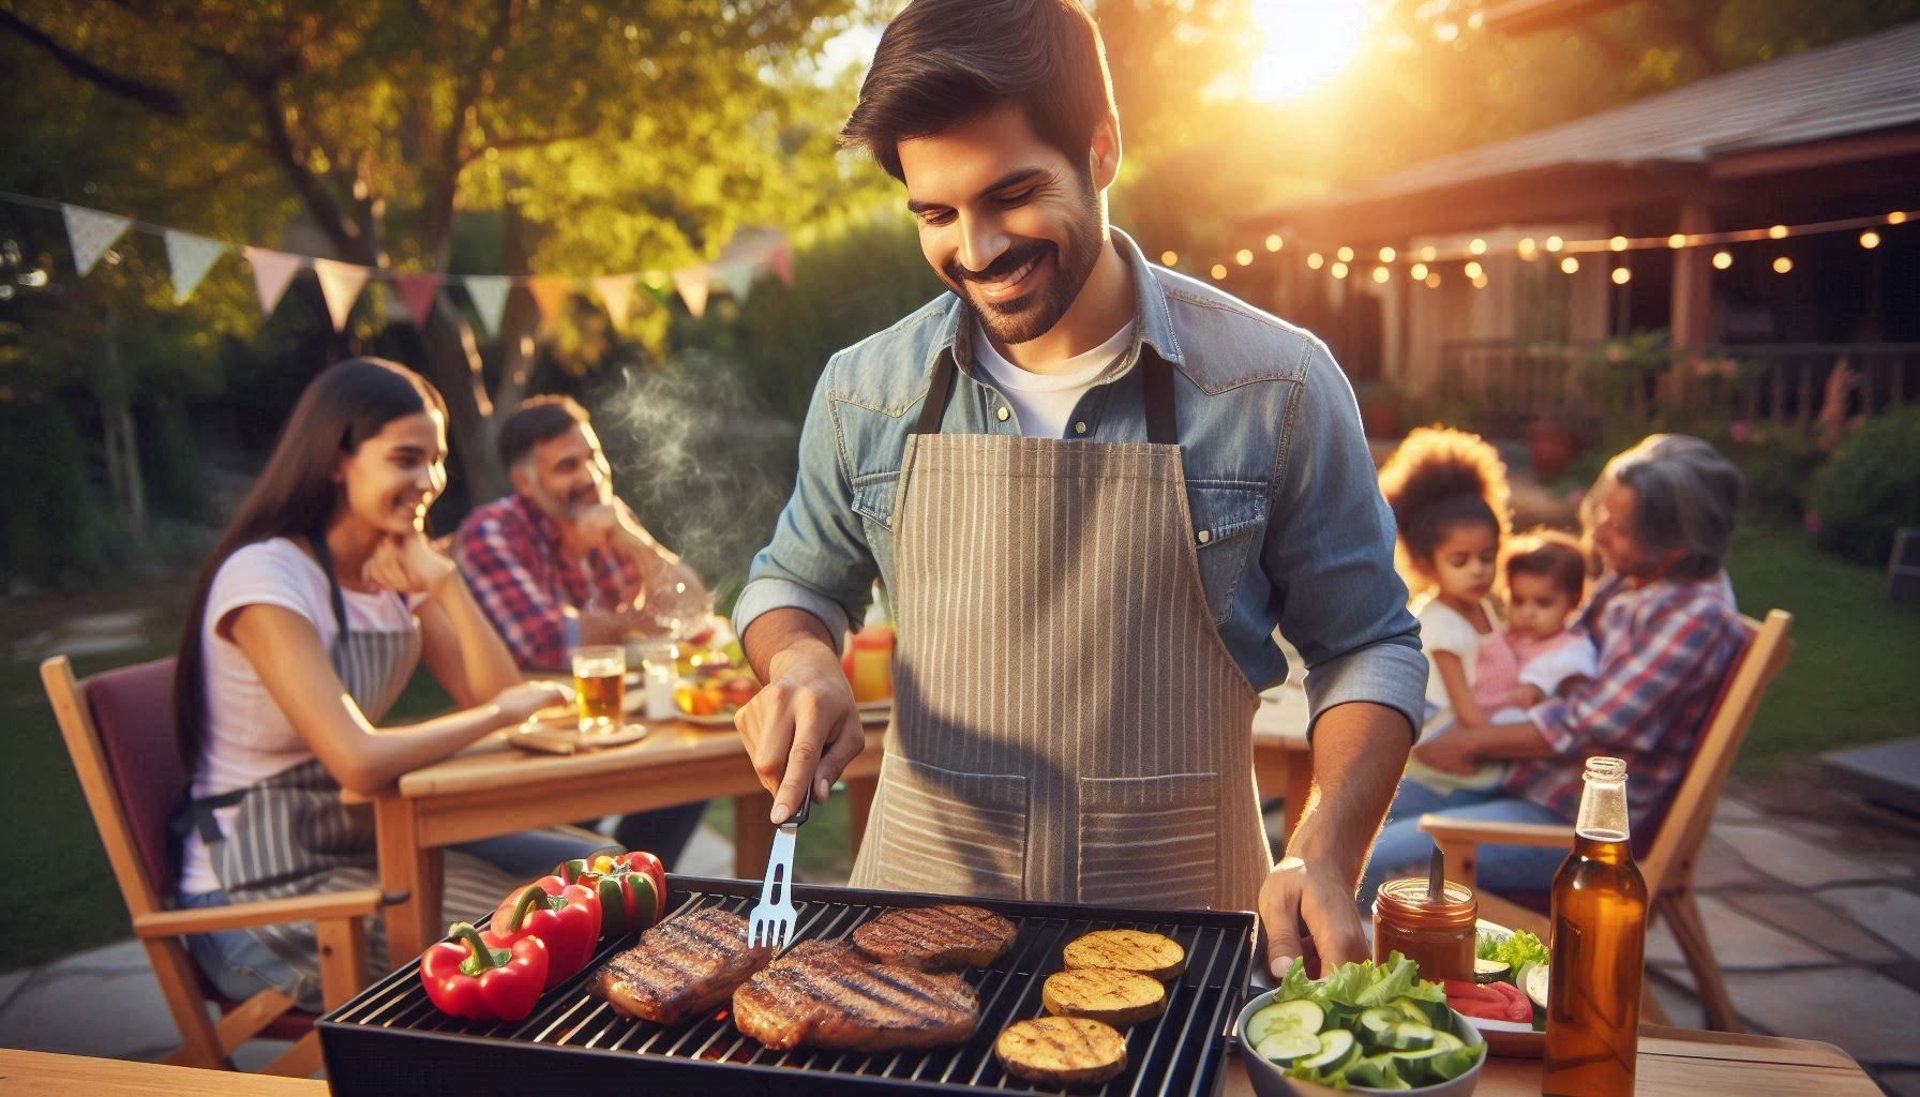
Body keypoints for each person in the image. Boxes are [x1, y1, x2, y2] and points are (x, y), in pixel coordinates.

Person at [731, 0, 1426, 982]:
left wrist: (1326, 845)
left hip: (1195, 944)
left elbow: (1367, 643)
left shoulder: (1276, 386)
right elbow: (791, 580)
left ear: (1101, 149)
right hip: (912, 949)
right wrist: (799, 656)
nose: (975, 250)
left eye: (1010, 194)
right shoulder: (864, 389)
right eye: (935, 212)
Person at [173, 358, 604, 1011]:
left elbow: (494, 691)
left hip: (364, 850)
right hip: (260, 897)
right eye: (406, 459)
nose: (428, 480)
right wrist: (497, 713)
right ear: (335, 459)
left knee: (602, 877)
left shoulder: (395, 566)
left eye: (434, 460)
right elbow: (360, 758)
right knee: (541, 943)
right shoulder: (265, 578)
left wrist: (444, 582)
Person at [1360, 434, 1748, 904]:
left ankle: (1317, 970)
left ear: (1677, 546)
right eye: (1605, 511)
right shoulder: (1633, 581)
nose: (1599, 532)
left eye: (1620, 528)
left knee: (1376, 859)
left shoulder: (1693, 619)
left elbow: (1591, 720)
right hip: (1519, 781)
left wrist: (1473, 740)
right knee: (1356, 816)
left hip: (1577, 825)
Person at [452, 394, 710, 864]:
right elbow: (552, 642)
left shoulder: (609, 515)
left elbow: (692, 612)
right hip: (528, 752)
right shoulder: (493, 531)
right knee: (601, 849)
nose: (590, 476)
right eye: (567, 466)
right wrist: (634, 625)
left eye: (593, 456)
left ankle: (638, 894)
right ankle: (622, 896)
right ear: (524, 483)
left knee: (697, 769)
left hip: (607, 736)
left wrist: (635, 540)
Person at [1377, 427, 1513, 793]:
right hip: (1440, 771)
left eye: (1487, 557)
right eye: (1460, 560)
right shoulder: (1438, 624)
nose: (1478, 570)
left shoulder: (1482, 606)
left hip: (1479, 750)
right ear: (1426, 562)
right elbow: (1466, 711)